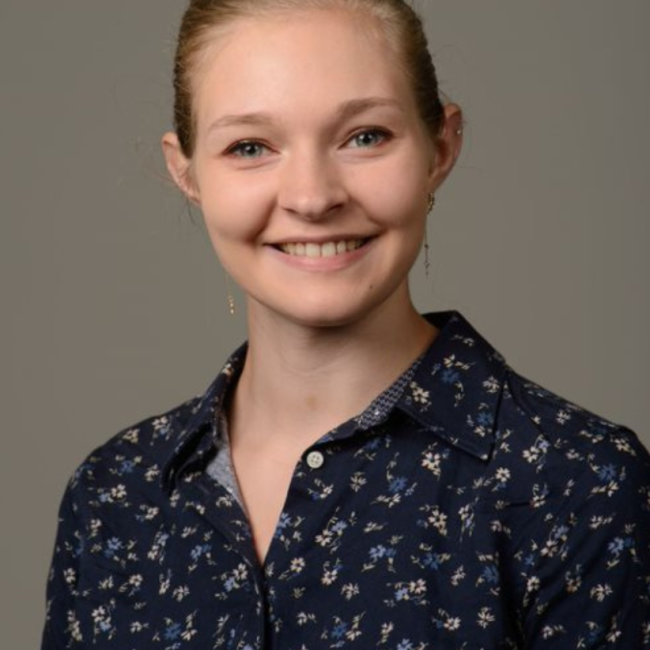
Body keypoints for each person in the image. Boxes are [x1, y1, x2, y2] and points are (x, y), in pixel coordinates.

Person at [40, 0, 650, 648]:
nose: (312, 196)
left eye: (365, 137)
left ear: (439, 148)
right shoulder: (115, 496)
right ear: (187, 171)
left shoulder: (578, 485)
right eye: (250, 146)